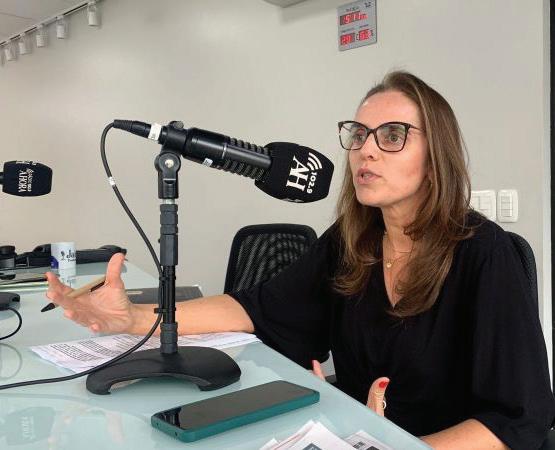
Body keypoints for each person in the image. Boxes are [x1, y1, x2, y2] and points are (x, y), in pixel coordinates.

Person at [46, 71, 555, 449]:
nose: (365, 151)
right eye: (359, 134)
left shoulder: (486, 254)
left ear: (435, 156)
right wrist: (135, 320)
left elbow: (518, 419)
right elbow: (257, 308)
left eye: (392, 135)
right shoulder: (352, 242)